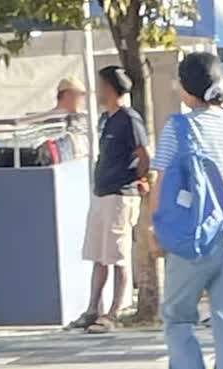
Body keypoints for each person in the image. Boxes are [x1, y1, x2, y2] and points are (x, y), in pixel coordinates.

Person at [148, 51, 223, 369]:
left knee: (178, 318)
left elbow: (160, 182)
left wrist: (155, 229)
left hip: (193, 238)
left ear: (184, 88)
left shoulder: (179, 127)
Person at [72, 65, 149, 332]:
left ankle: (115, 311)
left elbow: (143, 153)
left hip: (121, 194)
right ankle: (93, 308)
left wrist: (140, 178)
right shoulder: (106, 119)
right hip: (102, 193)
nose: (99, 91)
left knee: (118, 254)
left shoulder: (129, 118)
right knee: (98, 253)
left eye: (102, 85)